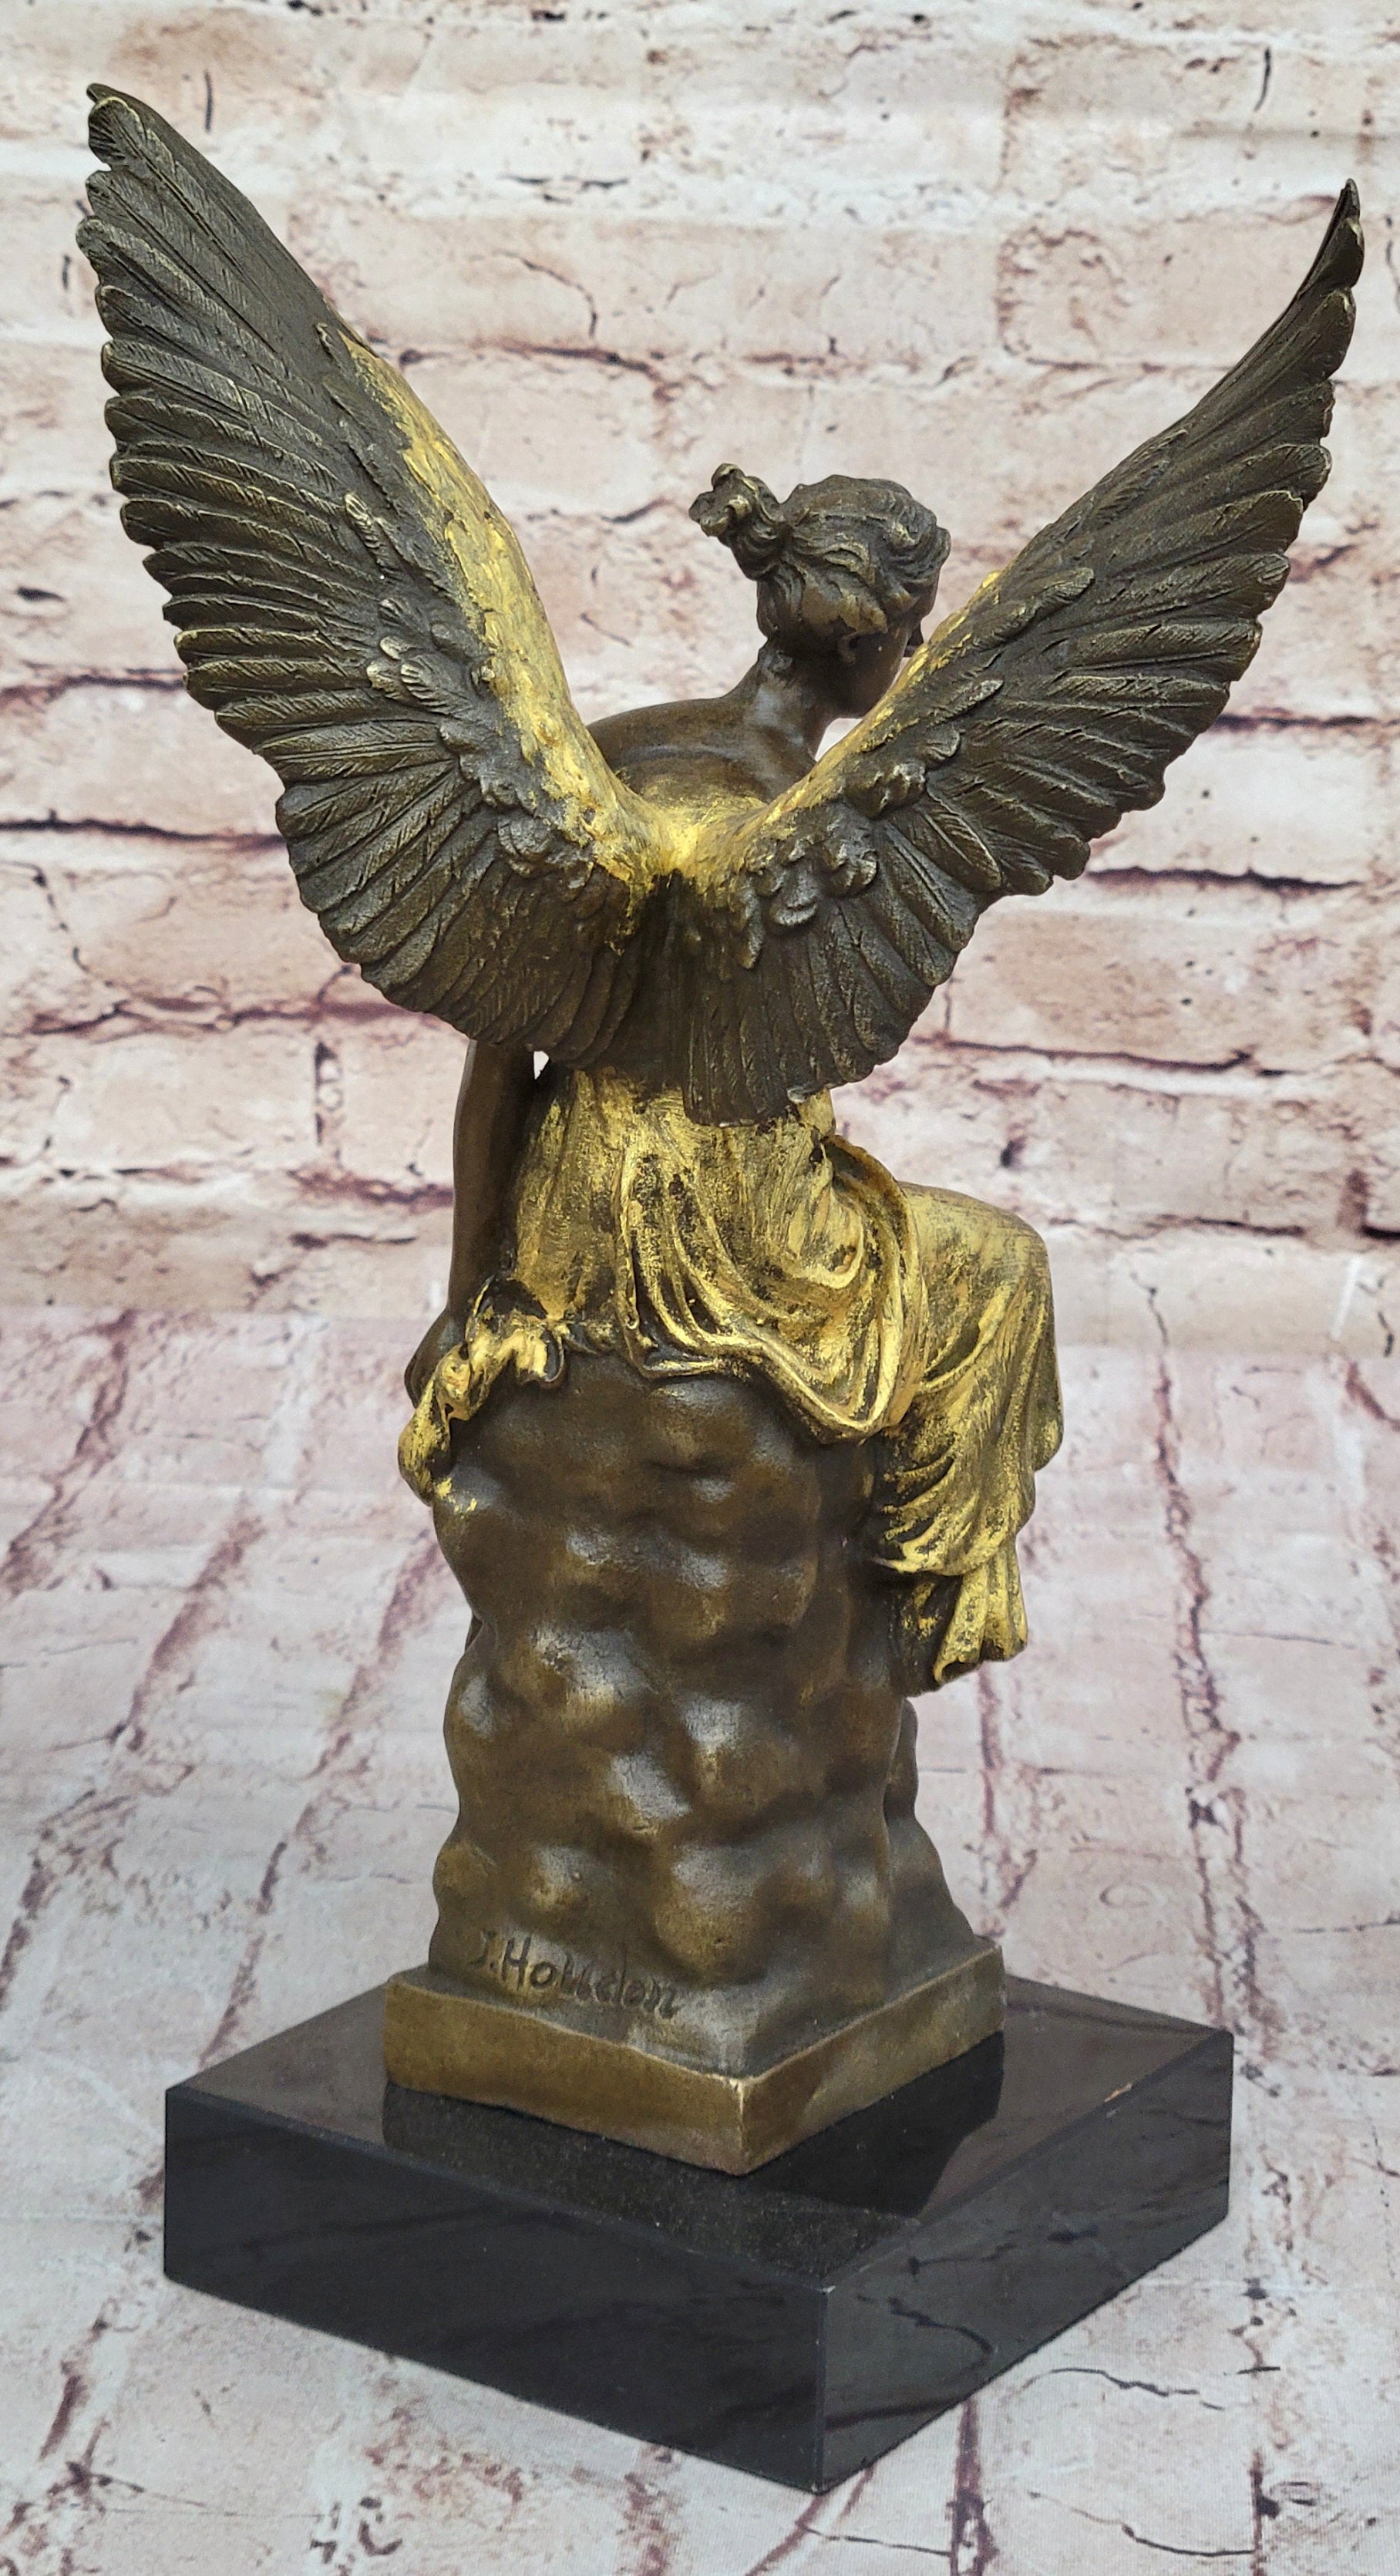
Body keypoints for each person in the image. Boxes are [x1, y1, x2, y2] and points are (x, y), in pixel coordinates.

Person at [402, 469, 1061, 1692]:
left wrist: (474, 1292)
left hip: (564, 1202)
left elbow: (500, 1062)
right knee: (1003, 1267)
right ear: (862, 643)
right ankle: (911, 1613)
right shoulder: (810, 807)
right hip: (739, 1222)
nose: (917, 659)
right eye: (913, 633)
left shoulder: (603, 752)